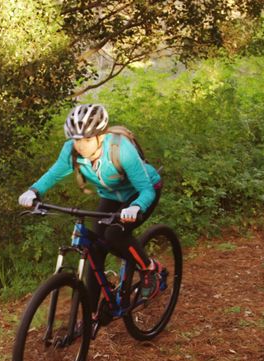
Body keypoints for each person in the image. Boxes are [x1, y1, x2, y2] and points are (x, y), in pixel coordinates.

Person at [19, 104, 164, 316]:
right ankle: (91, 315)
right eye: (76, 139)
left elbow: (146, 190)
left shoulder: (120, 149)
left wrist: (135, 207)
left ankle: (150, 268)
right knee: (94, 248)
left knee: (115, 235)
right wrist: (34, 191)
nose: (80, 145)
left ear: (101, 136)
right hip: (110, 197)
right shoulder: (72, 151)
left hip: (140, 194)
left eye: (86, 139)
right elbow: (54, 173)